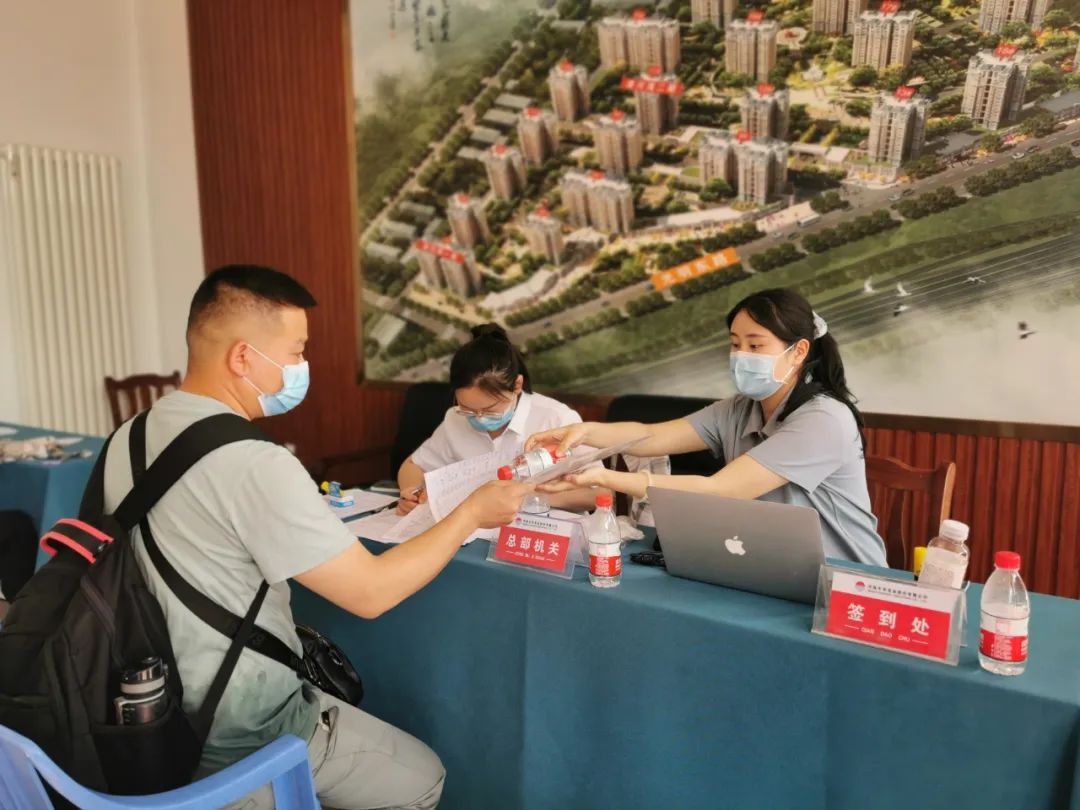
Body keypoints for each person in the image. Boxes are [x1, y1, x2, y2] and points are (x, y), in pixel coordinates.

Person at [100, 265, 530, 809]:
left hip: (142, 708)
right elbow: (370, 593)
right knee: (421, 777)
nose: (304, 367)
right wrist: (470, 514)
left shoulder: (126, 436)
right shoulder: (253, 462)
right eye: (297, 352)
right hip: (236, 726)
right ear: (242, 357)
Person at [528, 287, 887, 566]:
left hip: (845, 579)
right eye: (735, 344)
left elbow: (720, 489)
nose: (741, 356)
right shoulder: (741, 408)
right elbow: (652, 435)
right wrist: (586, 432)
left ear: (798, 351)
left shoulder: (823, 419)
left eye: (755, 345)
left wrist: (604, 477)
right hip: (778, 567)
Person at [396, 324, 597, 514]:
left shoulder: (556, 418)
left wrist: (531, 498)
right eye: (468, 409)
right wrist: (414, 494)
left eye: (489, 410)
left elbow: (599, 492)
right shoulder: (455, 419)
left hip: (544, 528)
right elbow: (413, 465)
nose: (479, 418)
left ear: (517, 385)